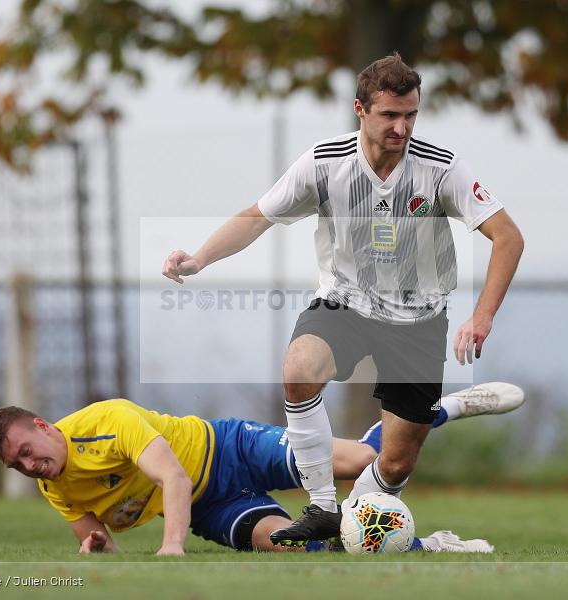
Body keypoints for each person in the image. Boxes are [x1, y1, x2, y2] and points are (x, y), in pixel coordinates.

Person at [162, 53, 524, 545]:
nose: (402, 127)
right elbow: (258, 216)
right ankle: (322, 506)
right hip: (345, 304)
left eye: (411, 115)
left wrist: (481, 317)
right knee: (299, 370)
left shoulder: (441, 168)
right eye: (390, 115)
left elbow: (508, 237)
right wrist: (200, 258)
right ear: (360, 109)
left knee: (394, 464)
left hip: (418, 320)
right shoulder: (324, 162)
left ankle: (414, 444)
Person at [0, 383, 523, 554]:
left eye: (27, 450)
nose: (30, 466)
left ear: (43, 425)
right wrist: (98, 547)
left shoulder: (106, 420)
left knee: (364, 461)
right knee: (300, 547)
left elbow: (173, 478)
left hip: (228, 448)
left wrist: (171, 547)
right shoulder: (57, 489)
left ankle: (442, 409)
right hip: (212, 509)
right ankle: (431, 546)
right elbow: (102, 547)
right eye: (17, 465)